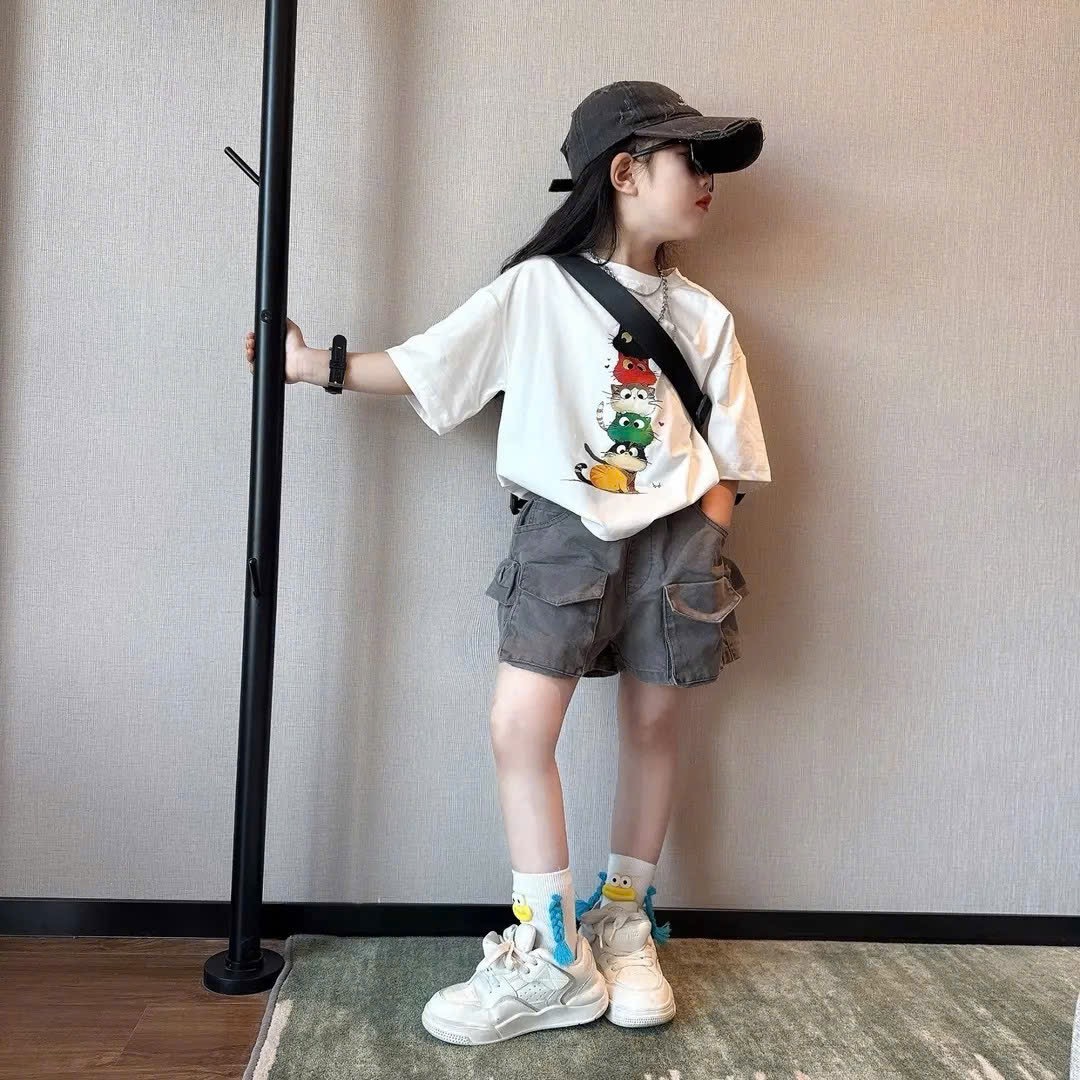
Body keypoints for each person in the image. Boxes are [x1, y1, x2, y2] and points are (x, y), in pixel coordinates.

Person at [244, 80, 771, 1045]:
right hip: (564, 529)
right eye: (689, 159)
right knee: (519, 727)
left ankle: (623, 924)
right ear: (624, 172)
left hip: (678, 537)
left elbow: (733, 450)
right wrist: (313, 364)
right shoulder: (539, 288)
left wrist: (711, 523)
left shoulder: (706, 316)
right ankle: (553, 951)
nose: (708, 181)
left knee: (656, 726)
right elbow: (433, 363)